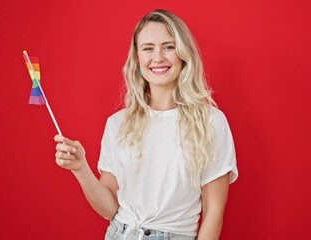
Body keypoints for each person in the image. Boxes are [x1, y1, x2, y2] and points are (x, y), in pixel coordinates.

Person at [54, 9, 238, 240]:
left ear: (183, 54)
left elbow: (214, 213)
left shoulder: (211, 122)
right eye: (148, 48)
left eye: (169, 47)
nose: (158, 57)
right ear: (138, 59)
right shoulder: (118, 124)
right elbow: (110, 209)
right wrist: (80, 168)